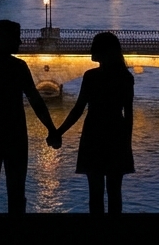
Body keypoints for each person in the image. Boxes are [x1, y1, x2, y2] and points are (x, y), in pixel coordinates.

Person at [0, 19, 59, 214]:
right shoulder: (18, 67)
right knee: (17, 192)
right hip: (15, 135)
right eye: (17, 38)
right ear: (5, 39)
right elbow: (36, 101)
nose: (20, 42)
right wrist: (51, 128)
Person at [54, 32, 135, 214]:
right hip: (116, 133)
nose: (91, 49)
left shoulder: (91, 76)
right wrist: (126, 143)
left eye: (94, 46)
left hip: (93, 133)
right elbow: (128, 113)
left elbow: (78, 109)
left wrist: (59, 131)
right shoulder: (125, 77)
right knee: (115, 192)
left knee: (95, 192)